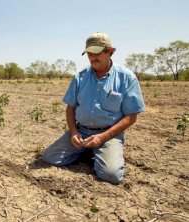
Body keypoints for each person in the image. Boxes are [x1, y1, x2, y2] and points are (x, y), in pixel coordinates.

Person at [42, 32, 145, 184]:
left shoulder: (126, 77)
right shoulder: (80, 77)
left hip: (108, 135)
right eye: (89, 53)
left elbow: (131, 117)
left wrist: (102, 138)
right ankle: (87, 150)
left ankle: (101, 152)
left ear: (109, 52)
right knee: (49, 157)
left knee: (111, 175)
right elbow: (70, 108)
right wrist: (73, 132)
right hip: (81, 132)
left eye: (97, 53)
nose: (92, 57)